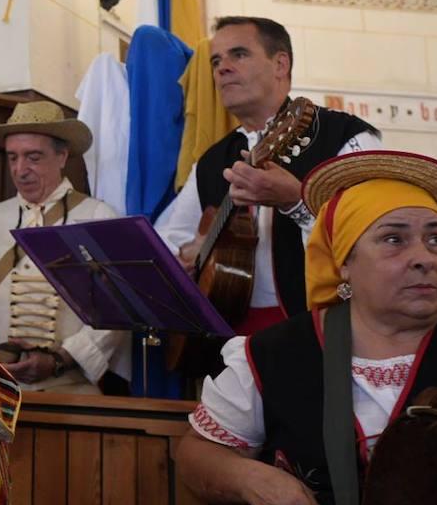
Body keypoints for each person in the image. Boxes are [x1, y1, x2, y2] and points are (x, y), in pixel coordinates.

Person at [176, 150, 437, 505]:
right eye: (394, 239)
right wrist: (254, 480)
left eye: (436, 239)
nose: (424, 256)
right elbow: (196, 454)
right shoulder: (274, 352)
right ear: (345, 262)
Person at [155, 17, 379, 334]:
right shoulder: (211, 160)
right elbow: (172, 240)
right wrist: (189, 260)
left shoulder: (345, 136)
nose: (222, 68)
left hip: (327, 328)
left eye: (239, 54)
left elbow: (374, 235)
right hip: (230, 335)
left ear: (280, 64)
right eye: (216, 60)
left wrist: (296, 201)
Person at [0, 101, 127, 393]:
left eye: (33, 157)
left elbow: (115, 312)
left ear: (62, 156)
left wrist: (61, 360)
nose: (20, 170)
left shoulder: (98, 217)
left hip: (72, 389)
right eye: (13, 158)